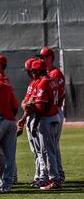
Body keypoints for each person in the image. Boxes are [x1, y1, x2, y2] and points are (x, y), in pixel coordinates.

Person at [30, 60, 63, 190]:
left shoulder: (43, 83)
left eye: (33, 70)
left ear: (38, 70)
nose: (32, 72)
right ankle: (54, 178)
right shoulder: (52, 80)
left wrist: (34, 125)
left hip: (47, 118)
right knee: (52, 150)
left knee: (47, 151)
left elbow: (40, 107)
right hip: (55, 116)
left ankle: (55, 180)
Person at [17, 58, 49, 188]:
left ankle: (45, 176)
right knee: (36, 151)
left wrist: (27, 108)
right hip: (32, 117)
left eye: (30, 70)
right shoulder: (33, 83)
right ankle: (39, 175)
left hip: (39, 117)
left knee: (42, 151)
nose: (29, 73)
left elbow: (32, 105)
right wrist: (24, 119)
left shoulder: (41, 83)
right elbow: (26, 103)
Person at [38, 47, 66, 183]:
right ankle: (58, 173)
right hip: (52, 111)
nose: (42, 59)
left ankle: (57, 175)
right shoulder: (47, 73)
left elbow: (60, 94)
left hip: (54, 112)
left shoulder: (55, 73)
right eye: (41, 57)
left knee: (52, 146)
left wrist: (54, 108)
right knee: (53, 145)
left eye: (44, 57)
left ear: (51, 58)